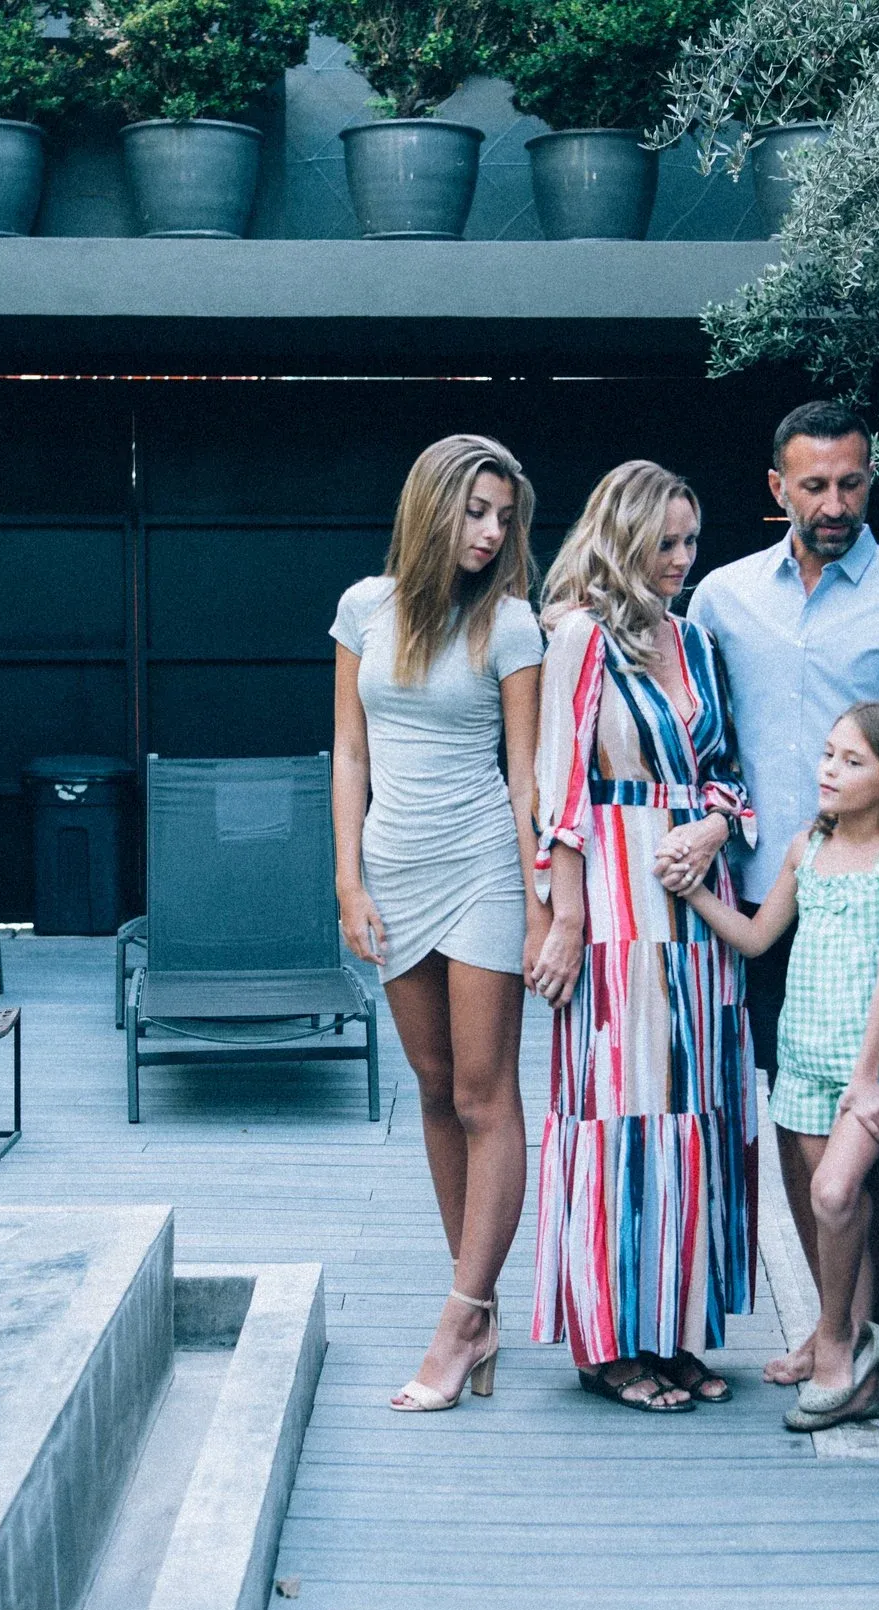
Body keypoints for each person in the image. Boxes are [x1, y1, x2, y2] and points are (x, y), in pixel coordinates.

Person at [666, 398, 879, 1390]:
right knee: (793, 1119)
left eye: (852, 482)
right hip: (765, 897)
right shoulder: (719, 599)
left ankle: (862, 1321)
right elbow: (699, 742)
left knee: (866, 1130)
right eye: (814, 485)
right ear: (778, 489)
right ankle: (828, 1316)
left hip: (876, 908)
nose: (835, 501)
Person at [525, 460, 757, 1414]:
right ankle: (608, 1340)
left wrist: (715, 825)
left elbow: (730, 769)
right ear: (620, 538)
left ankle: (673, 1328)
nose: (680, 558)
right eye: (663, 542)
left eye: (691, 541)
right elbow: (559, 788)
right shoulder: (580, 635)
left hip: (697, 908)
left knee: (697, 1113)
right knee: (620, 1115)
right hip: (617, 910)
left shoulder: (696, 640)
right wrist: (567, 915)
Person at [332, 434, 548, 1414]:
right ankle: (483, 1302)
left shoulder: (510, 624)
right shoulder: (362, 609)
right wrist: (348, 882)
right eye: (475, 511)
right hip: (394, 869)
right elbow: (347, 754)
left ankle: (461, 1314)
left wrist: (543, 906)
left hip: (481, 871)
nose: (492, 531)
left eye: (503, 515)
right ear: (432, 510)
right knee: (428, 1087)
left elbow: (525, 776)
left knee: (483, 1092)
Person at [679, 702, 879, 1433]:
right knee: (837, 1209)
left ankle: (835, 1340)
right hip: (804, 1057)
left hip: (872, 1066)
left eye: (852, 761)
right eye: (828, 755)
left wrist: (867, 1078)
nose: (829, 770)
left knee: (832, 1195)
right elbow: (760, 938)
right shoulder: (807, 848)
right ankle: (855, 1353)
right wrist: (695, 892)